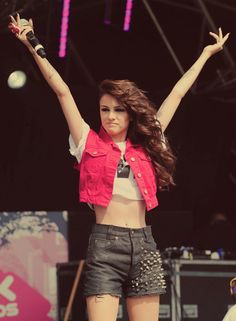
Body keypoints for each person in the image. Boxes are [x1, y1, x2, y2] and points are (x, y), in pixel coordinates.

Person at [9, 14, 230, 321]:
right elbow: (62, 91)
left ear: (130, 114)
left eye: (118, 110)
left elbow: (177, 94)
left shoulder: (146, 146)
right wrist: (32, 42)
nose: (110, 116)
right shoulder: (87, 142)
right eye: (104, 109)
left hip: (144, 244)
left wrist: (206, 54)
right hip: (105, 246)